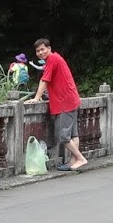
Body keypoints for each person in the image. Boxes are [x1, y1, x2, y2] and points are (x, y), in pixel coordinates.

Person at [25, 38, 87, 171]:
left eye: (42, 49)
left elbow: (45, 80)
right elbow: (49, 80)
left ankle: (80, 158)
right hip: (71, 100)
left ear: (49, 48)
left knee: (63, 136)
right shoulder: (55, 59)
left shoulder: (52, 59)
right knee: (73, 134)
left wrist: (37, 98)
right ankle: (72, 162)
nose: (40, 53)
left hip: (65, 102)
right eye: (38, 51)